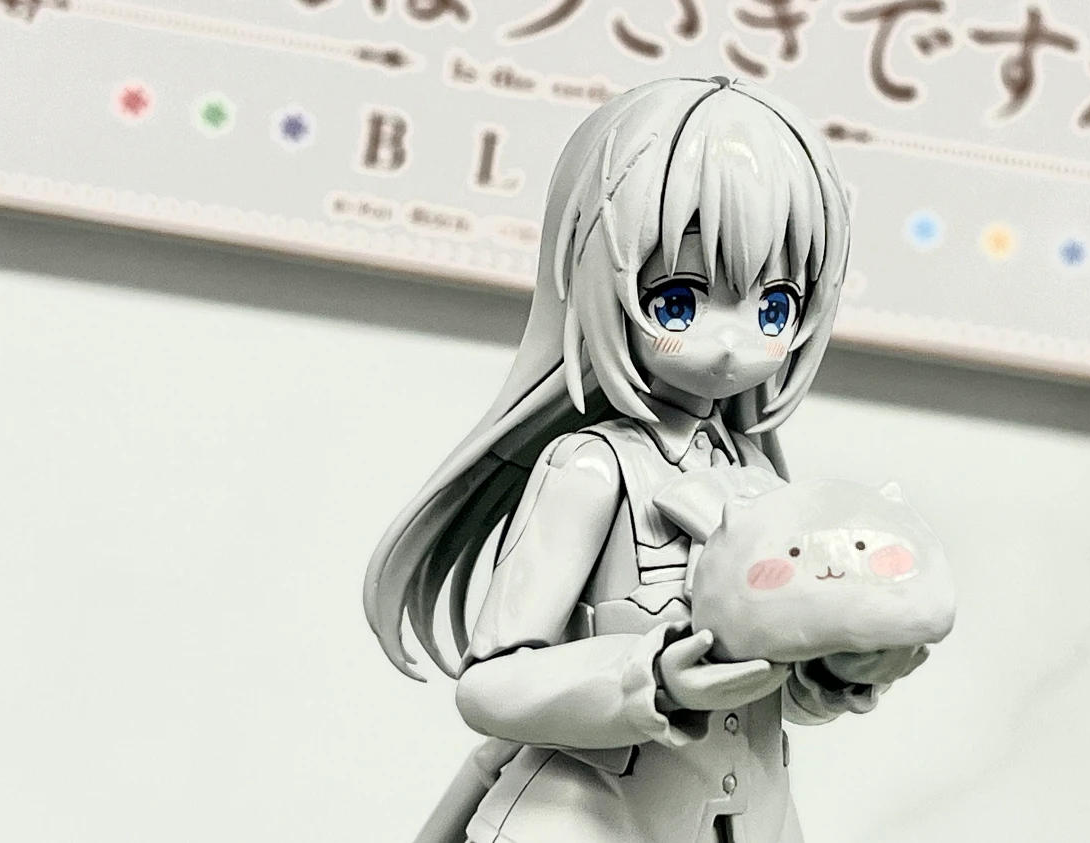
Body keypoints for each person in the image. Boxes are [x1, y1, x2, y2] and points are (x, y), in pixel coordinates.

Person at [364, 76, 929, 843]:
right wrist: (649, 681)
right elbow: (491, 684)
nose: (730, 341)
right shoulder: (592, 470)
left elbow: (764, 696)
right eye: (679, 299)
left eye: (774, 307)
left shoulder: (760, 482)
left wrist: (836, 672)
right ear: (603, 277)